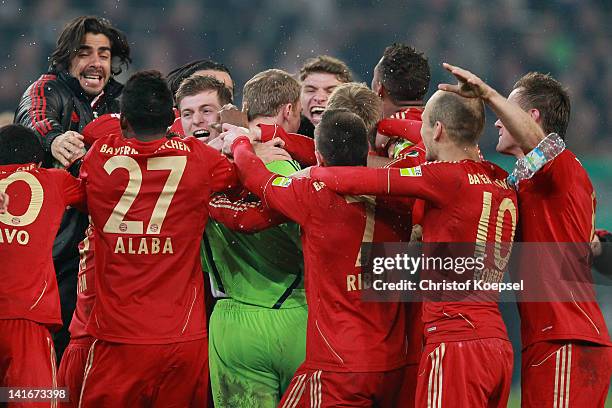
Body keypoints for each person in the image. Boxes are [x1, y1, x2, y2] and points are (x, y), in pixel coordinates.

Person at [307, 87, 523, 407]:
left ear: (437, 130)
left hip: (455, 342)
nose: (418, 131)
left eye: (424, 123)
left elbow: (355, 181)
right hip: (496, 343)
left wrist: (312, 169)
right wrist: (384, 127)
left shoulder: (443, 178)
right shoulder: (500, 179)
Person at [440, 63, 612, 407]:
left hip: (566, 337)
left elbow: (542, 143)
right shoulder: (529, 181)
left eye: (507, 109)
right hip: (546, 339)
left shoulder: (559, 163)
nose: (498, 121)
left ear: (532, 116)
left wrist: (488, 93)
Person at [221, 109, 411, 407]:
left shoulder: (315, 196)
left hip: (338, 365)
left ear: (319, 157)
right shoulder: (400, 195)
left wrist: (240, 142)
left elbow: (257, 178)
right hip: (393, 363)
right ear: (366, 152)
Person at [77, 70, 237, 407]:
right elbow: (241, 177)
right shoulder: (203, 160)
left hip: (121, 338)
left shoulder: (100, 157)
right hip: (191, 335)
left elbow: (94, 132)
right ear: (173, 118)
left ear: (125, 124)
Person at [13, 15, 131, 361]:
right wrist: (52, 140)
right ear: (67, 58)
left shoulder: (123, 101)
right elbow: (32, 116)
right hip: (59, 251)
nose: (96, 63)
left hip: (115, 252)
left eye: (104, 54)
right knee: (58, 350)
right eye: (85, 53)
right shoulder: (48, 88)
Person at [199, 69, 307, 408]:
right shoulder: (294, 172)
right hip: (296, 318)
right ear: (289, 110)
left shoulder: (203, 170)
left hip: (231, 323)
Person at [0, 124, 84, 400]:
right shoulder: (53, 180)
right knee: (32, 399)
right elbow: (99, 194)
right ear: (37, 162)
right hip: (28, 322)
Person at [297, 55, 353, 137]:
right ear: (298, 98)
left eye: (330, 91)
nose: (319, 98)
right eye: (311, 90)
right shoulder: (279, 142)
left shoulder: (367, 143)